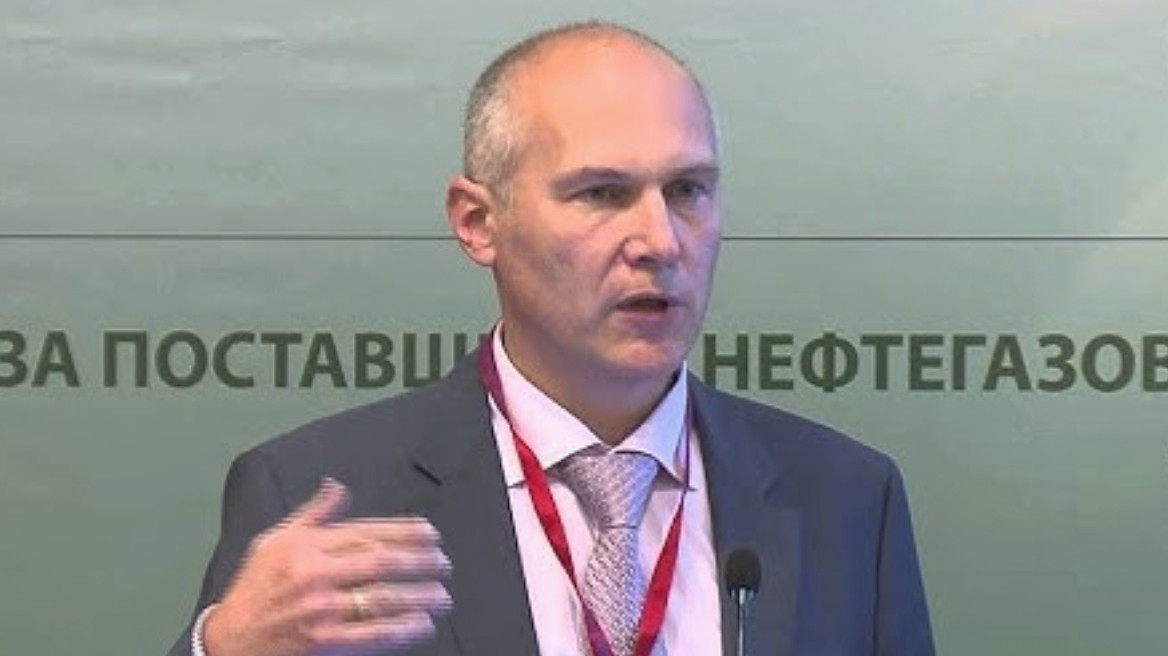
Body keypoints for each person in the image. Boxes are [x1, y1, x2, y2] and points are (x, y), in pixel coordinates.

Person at [167, 21, 934, 656]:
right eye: (602, 193)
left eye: (687, 190)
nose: (660, 240)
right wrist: (226, 648)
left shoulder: (846, 500)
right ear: (478, 222)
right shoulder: (328, 494)